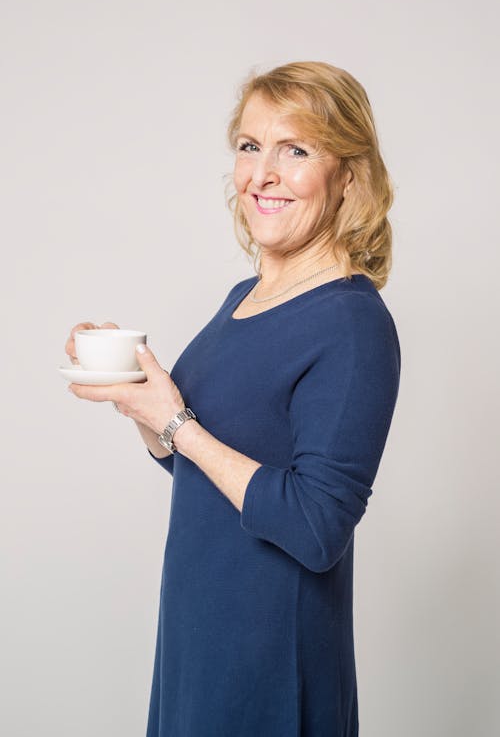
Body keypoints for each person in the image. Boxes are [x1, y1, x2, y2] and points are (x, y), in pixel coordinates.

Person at [65, 61, 401, 737]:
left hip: (271, 661)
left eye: (295, 150)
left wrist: (178, 423)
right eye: (250, 146)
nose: (262, 173)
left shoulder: (353, 324)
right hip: (199, 640)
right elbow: (197, 465)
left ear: (349, 176)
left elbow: (315, 528)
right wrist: (140, 399)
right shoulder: (241, 300)